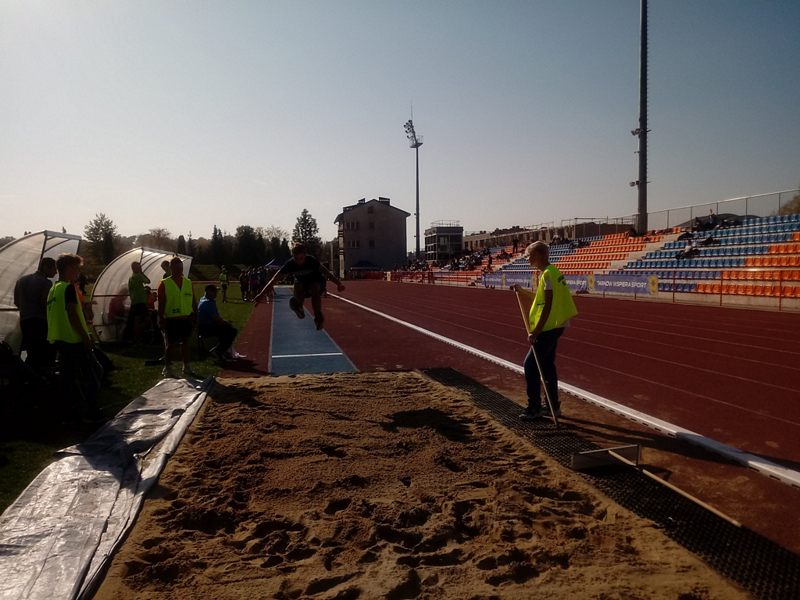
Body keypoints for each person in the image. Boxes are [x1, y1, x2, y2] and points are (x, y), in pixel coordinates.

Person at [513, 241, 578, 421]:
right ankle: (552, 406)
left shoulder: (548, 274)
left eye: (530, 256)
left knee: (530, 365)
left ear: (539, 255)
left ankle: (534, 407)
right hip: (556, 325)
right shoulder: (552, 272)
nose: (528, 259)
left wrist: (536, 331)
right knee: (547, 365)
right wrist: (522, 291)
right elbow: (540, 299)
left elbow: (548, 306)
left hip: (549, 327)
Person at [46, 253, 103, 421]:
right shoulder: (68, 288)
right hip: (74, 340)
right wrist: (85, 337)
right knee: (94, 373)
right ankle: (90, 411)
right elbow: (72, 314)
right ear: (69, 268)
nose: (78, 272)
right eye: (77, 268)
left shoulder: (53, 289)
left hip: (60, 339)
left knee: (68, 378)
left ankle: (70, 411)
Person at [253, 243, 345, 330]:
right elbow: (274, 280)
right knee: (297, 284)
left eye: (301, 258)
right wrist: (261, 295)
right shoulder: (290, 264)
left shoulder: (311, 261)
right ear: (293, 256)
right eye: (296, 258)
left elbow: (326, 272)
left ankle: (318, 316)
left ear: (305, 255)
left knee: (314, 287)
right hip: (303, 285)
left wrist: (338, 283)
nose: (299, 261)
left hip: (317, 282)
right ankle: (298, 305)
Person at [13, 257, 57, 373]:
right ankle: (37, 376)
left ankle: (28, 375)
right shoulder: (46, 283)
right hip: (40, 322)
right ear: (45, 267)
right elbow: (45, 303)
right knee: (41, 353)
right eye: (54, 269)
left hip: (24, 320)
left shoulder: (21, 280)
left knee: (31, 351)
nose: (56, 272)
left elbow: (16, 302)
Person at [157, 256, 197, 378]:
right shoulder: (164, 284)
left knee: (185, 343)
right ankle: (167, 368)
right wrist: (161, 318)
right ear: (171, 268)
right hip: (171, 319)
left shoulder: (188, 282)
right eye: (176, 268)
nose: (179, 270)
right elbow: (161, 303)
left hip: (186, 318)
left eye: (181, 268)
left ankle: (186, 367)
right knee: (170, 345)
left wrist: (195, 314)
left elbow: (193, 300)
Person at [197, 285, 238, 360]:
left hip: (203, 327)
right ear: (208, 292)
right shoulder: (208, 302)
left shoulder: (202, 299)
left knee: (226, 328)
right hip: (207, 328)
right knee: (232, 331)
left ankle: (221, 350)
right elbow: (217, 320)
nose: (216, 293)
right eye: (214, 291)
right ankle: (219, 350)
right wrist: (226, 322)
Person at [128, 261, 151, 344]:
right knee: (146, 319)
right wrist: (142, 273)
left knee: (137, 320)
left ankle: (137, 337)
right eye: (139, 267)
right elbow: (148, 281)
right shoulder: (138, 276)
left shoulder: (131, 278)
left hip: (135, 301)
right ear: (135, 268)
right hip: (140, 301)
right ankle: (138, 336)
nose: (141, 268)